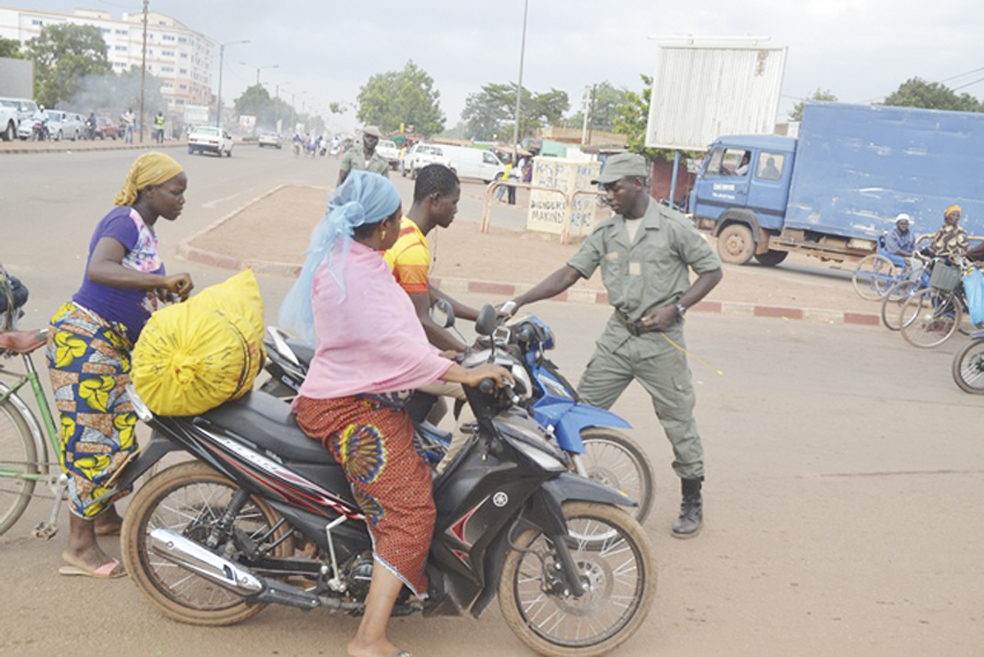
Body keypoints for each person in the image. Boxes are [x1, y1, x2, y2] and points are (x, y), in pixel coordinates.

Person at [281, 171, 511, 657]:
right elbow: (395, 347)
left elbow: (396, 344)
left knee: (432, 454)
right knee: (412, 511)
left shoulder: (352, 261)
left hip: (357, 393)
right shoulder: (359, 274)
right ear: (385, 225)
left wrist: (451, 365)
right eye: (393, 220)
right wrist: (463, 374)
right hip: (347, 408)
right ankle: (368, 639)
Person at [501, 152, 723, 539]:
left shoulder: (673, 227)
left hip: (662, 343)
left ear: (638, 183)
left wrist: (677, 308)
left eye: (614, 187)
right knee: (577, 414)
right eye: (605, 188)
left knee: (679, 422)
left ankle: (692, 498)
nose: (608, 195)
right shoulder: (607, 233)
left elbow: (712, 270)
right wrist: (521, 300)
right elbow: (569, 272)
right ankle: (561, 492)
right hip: (618, 339)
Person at [46, 152, 194, 578]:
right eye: (175, 191)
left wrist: (162, 295)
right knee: (91, 440)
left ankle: (105, 515)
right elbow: (100, 269)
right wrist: (158, 282)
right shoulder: (124, 220)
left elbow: (132, 281)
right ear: (149, 189)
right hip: (85, 343)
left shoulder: (145, 230)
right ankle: (78, 545)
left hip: (110, 347)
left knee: (118, 433)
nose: (181, 199)